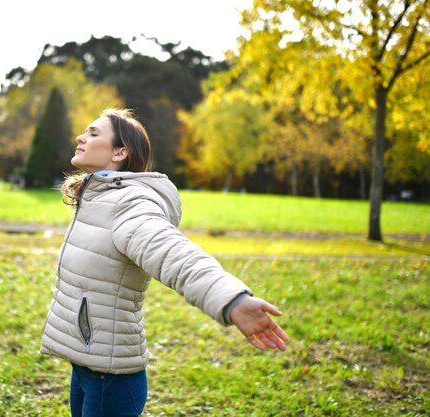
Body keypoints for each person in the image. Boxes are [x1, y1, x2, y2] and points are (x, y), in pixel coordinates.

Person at [40, 108, 289, 417]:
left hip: (112, 378)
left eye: (93, 133)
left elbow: (173, 253)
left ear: (120, 152)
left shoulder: (128, 204)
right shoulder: (98, 197)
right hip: (88, 364)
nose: (81, 136)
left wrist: (231, 299)